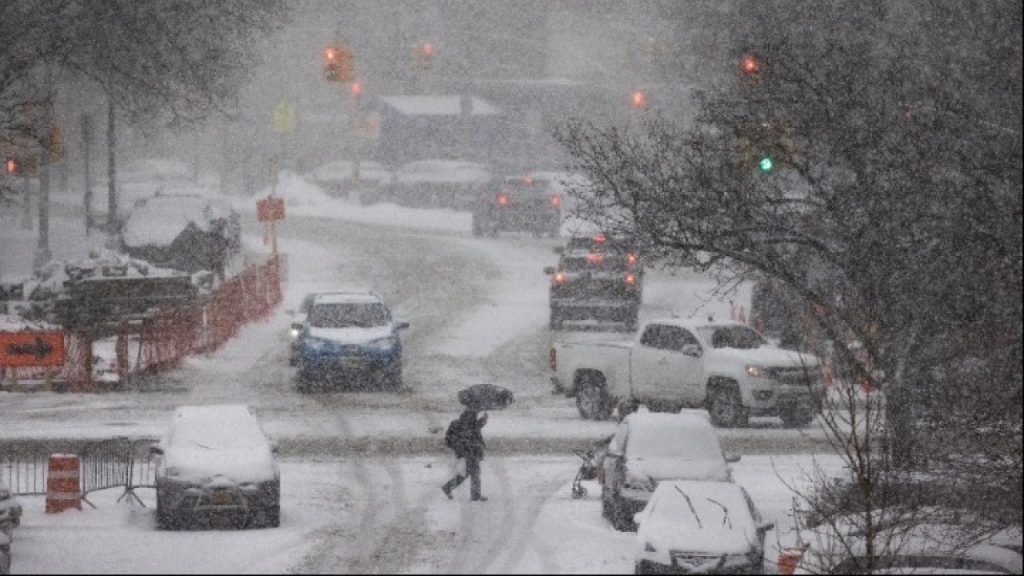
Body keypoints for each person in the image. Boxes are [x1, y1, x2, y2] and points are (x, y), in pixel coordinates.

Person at [442, 408, 488, 502]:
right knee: (475, 473)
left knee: (466, 474)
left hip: (467, 452)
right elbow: (471, 432)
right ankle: (475, 495)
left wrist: (483, 420)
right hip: (469, 453)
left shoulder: (462, 423)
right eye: (474, 415)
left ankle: (448, 487)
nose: (475, 417)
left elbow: (476, 426)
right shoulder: (466, 425)